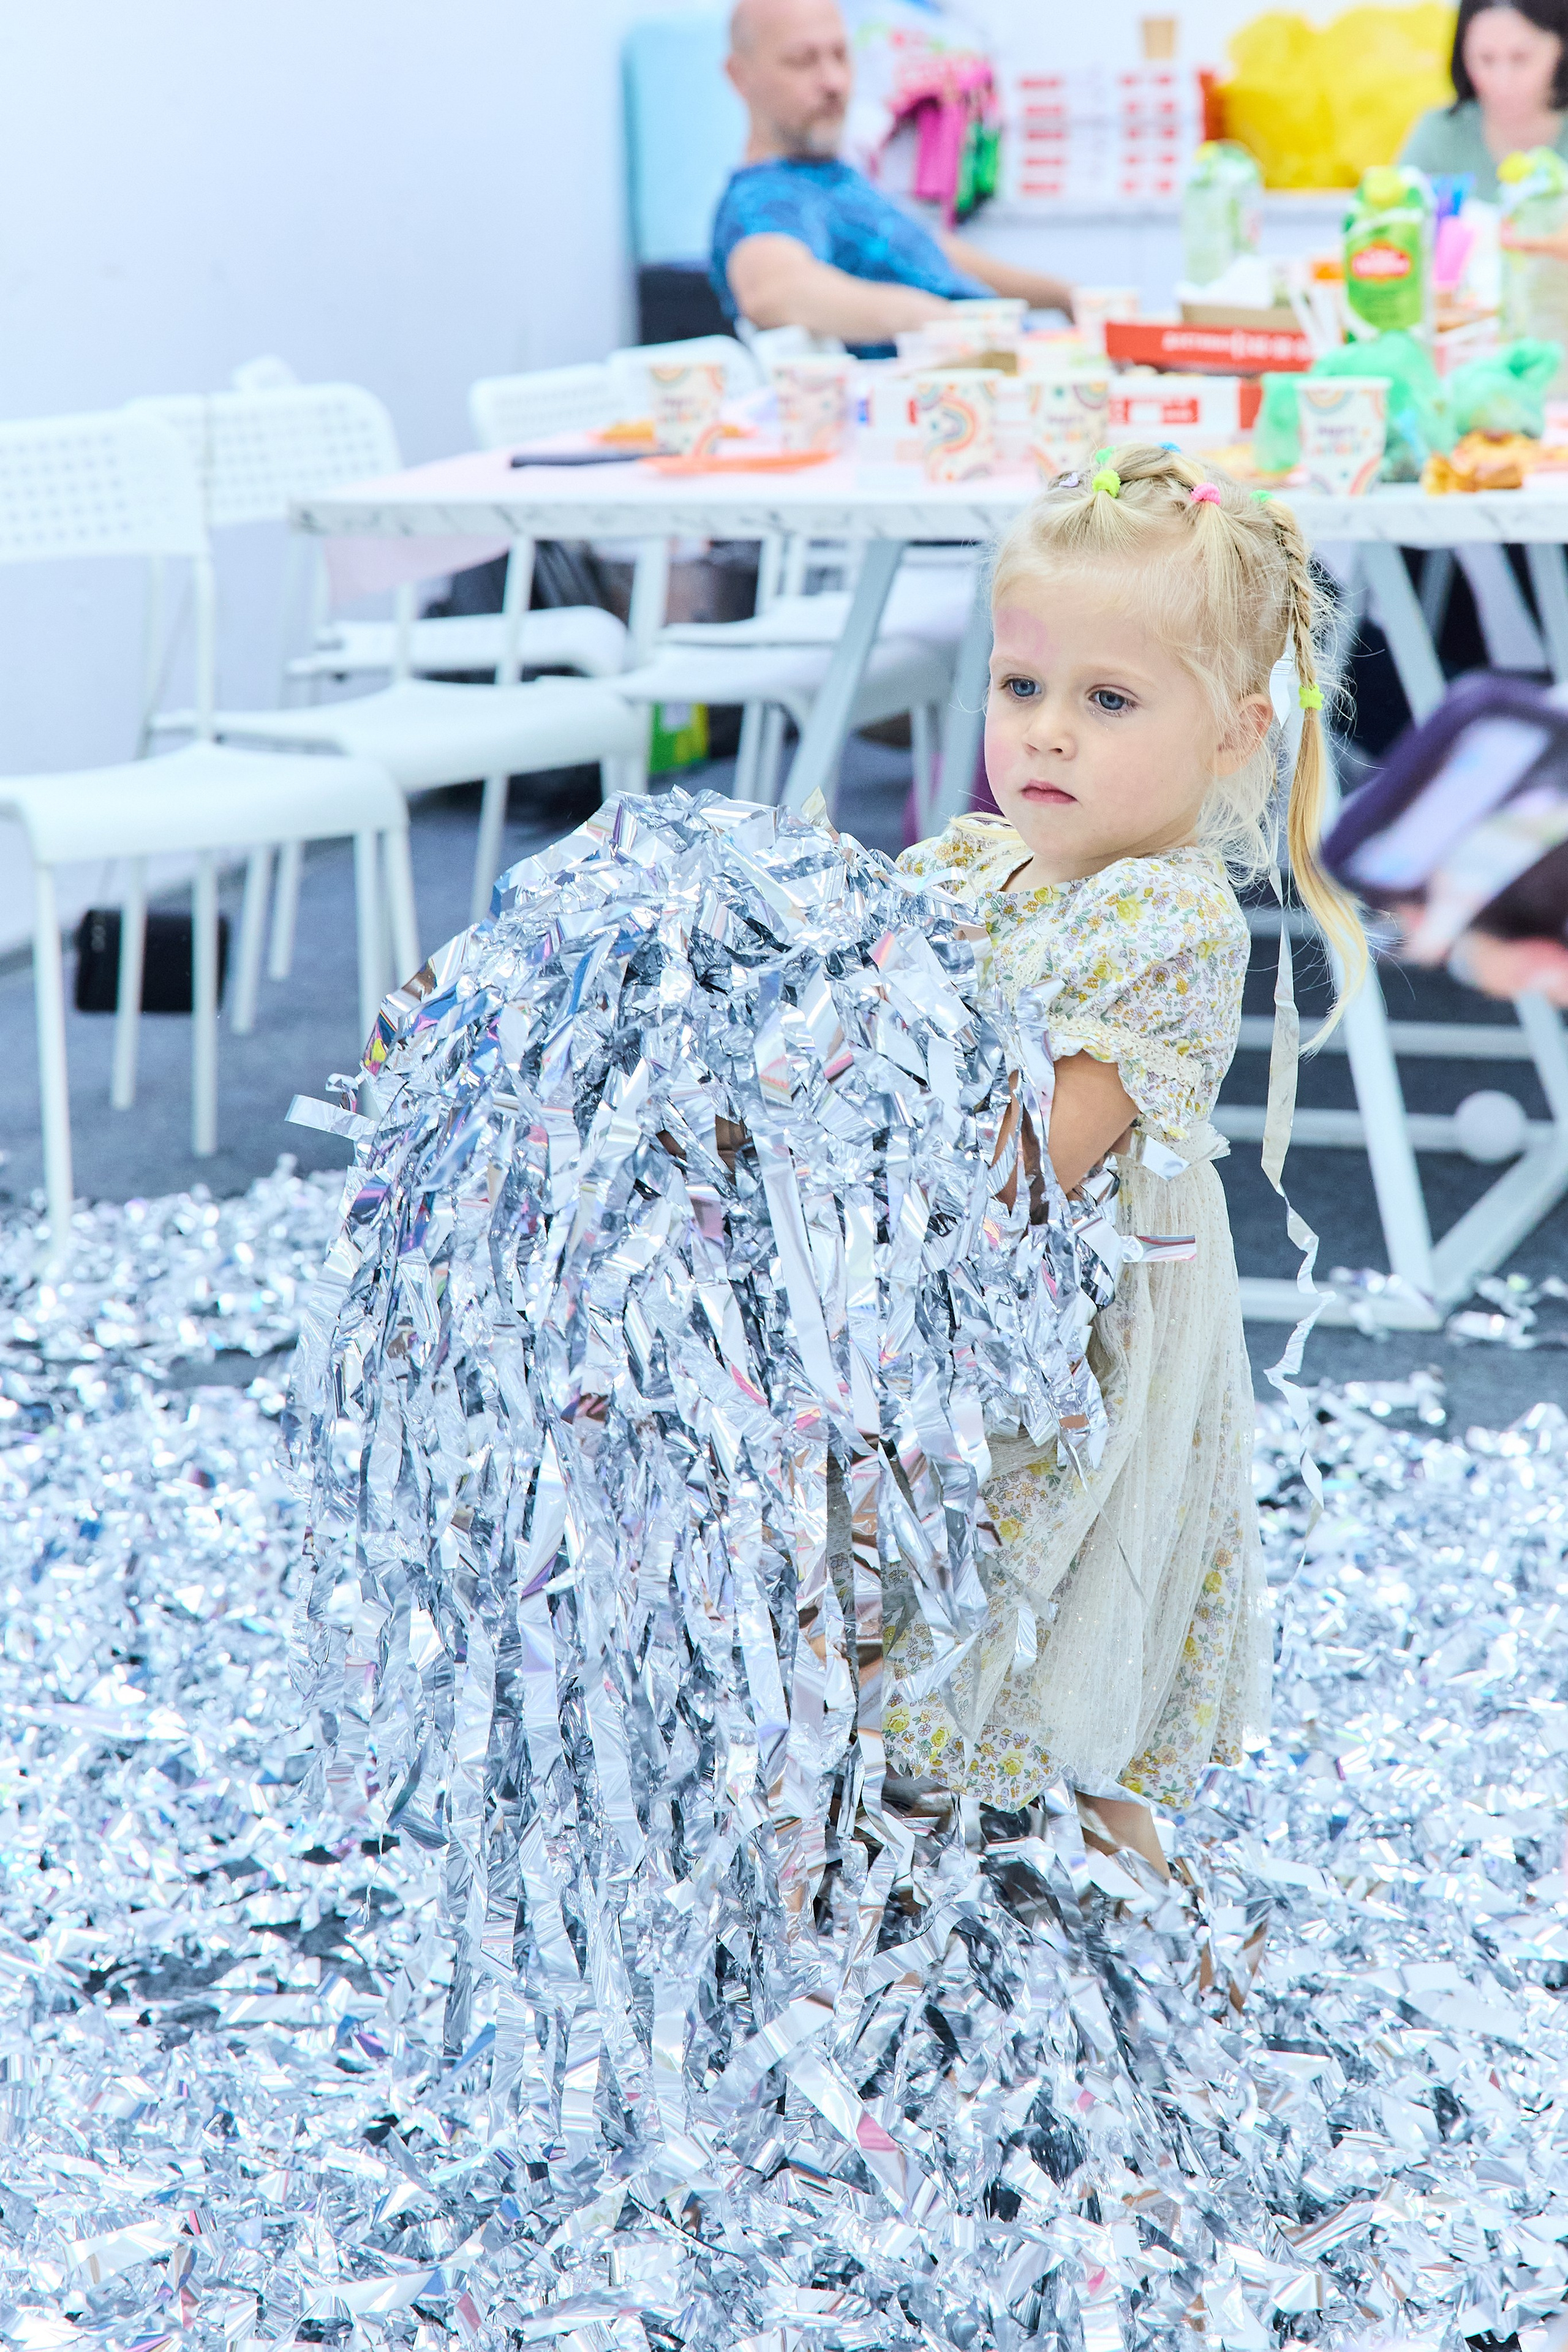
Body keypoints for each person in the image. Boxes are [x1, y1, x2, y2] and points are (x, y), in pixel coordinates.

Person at [882, 449, 1366, 1877]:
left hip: (1084, 1334)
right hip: (964, 1306)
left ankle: (1156, 1947)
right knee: (943, 1625)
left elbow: (1026, 1166)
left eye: (1106, 700)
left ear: (1231, 733)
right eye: (1021, 688)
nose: (1046, 734)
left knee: (1065, 1610)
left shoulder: (1162, 917)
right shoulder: (964, 869)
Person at [712, 0, 1074, 349]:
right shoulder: (765, 196)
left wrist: (1064, 296)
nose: (834, 81)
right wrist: (943, 323)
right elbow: (772, 289)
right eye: (802, 61)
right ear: (740, 76)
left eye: (840, 56)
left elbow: (934, 255)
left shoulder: (840, 177)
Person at [1402, 0, 1568, 200]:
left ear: (1561, 48)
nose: (1502, 83)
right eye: (1486, 58)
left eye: (1521, 58)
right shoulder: (1439, 134)